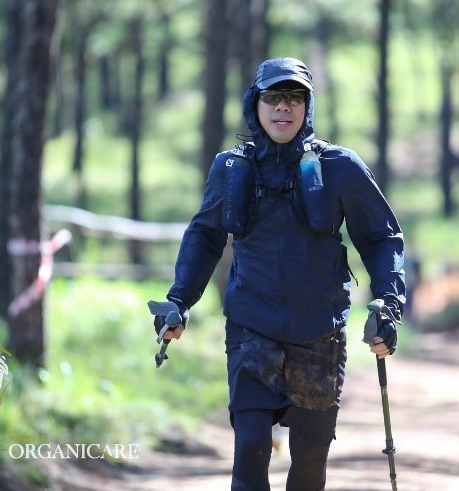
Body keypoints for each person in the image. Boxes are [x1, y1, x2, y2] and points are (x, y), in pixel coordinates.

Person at [153, 57, 405, 490]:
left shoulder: (340, 167)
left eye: (294, 97)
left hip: (320, 332)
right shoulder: (231, 169)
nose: (283, 107)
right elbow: (205, 235)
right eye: (273, 97)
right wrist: (179, 300)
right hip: (251, 328)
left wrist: (388, 303)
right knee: (250, 448)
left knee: (309, 463)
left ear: (308, 106)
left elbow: (382, 238)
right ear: (256, 104)